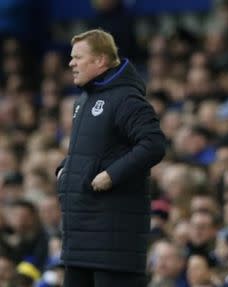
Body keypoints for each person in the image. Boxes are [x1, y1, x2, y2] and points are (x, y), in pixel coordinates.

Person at [55, 29, 166, 287]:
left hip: (113, 245)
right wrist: (65, 170)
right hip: (79, 239)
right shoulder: (84, 99)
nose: (71, 63)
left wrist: (111, 175)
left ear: (100, 60)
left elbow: (154, 144)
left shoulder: (127, 98)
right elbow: (89, 153)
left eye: (78, 57)